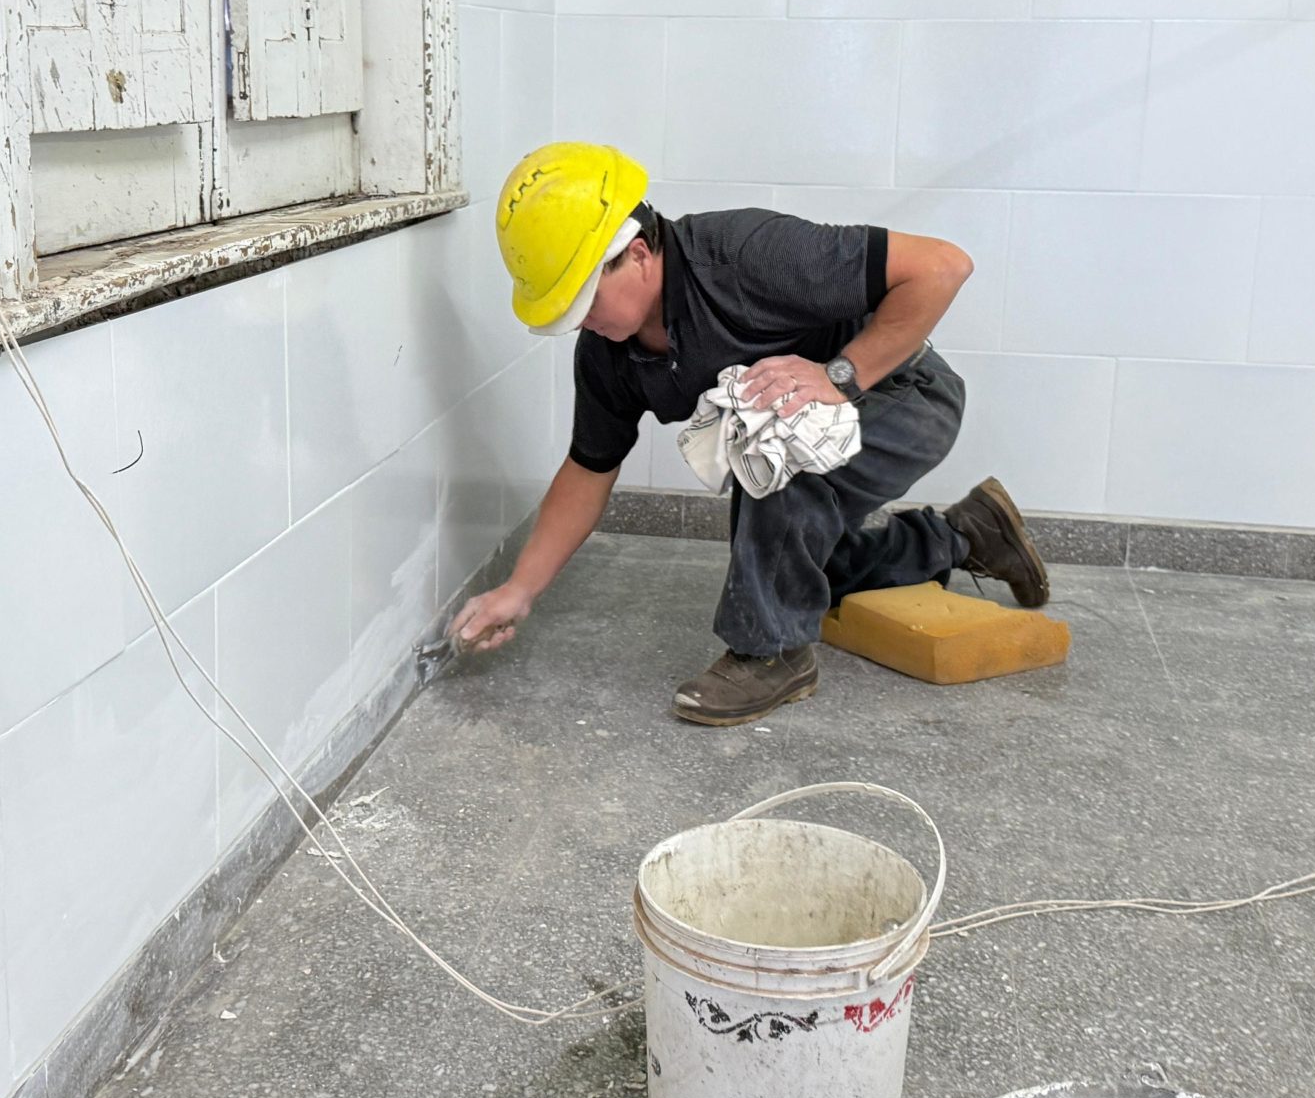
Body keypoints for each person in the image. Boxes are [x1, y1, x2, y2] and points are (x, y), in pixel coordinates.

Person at [450, 143, 1050, 725]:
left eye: (585, 299)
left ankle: (771, 654)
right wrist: (519, 589)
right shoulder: (609, 352)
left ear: (636, 253)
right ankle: (966, 535)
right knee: (802, 572)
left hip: (906, 396)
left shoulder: (746, 255)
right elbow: (589, 468)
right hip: (814, 428)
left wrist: (838, 376)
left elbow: (943, 266)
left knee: (771, 458)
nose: (583, 321)